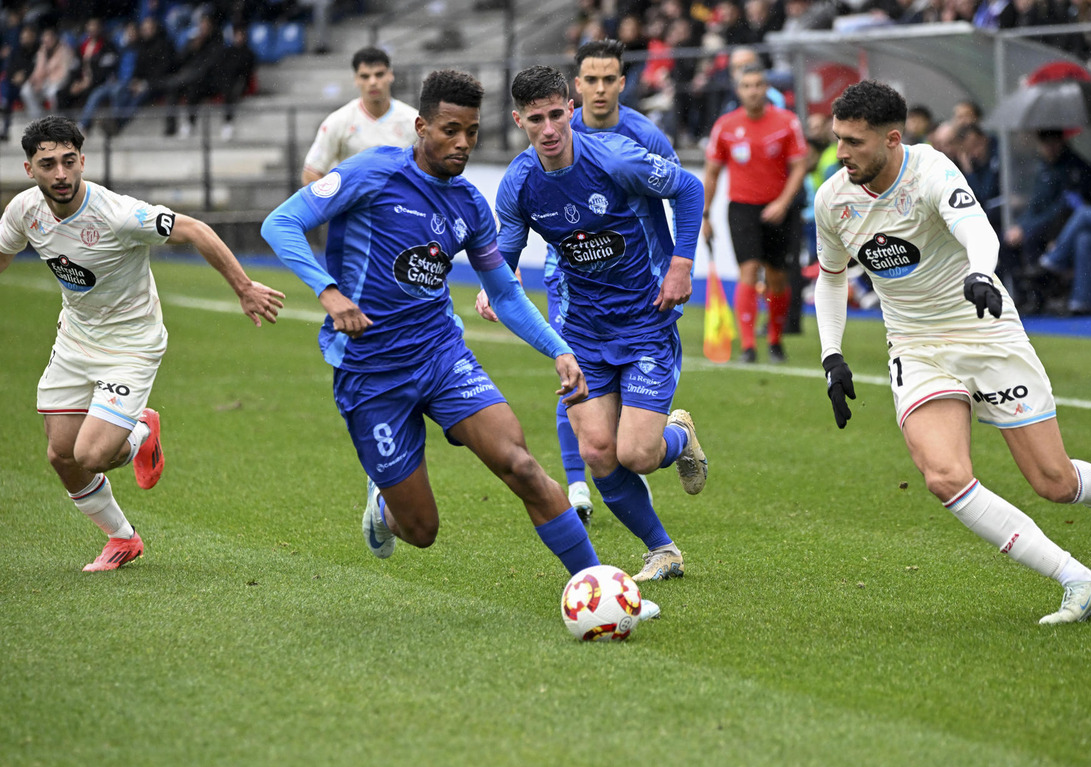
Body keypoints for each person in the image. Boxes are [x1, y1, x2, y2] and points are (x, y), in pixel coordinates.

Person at [259, 71, 634, 596]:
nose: (461, 143)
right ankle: (385, 502)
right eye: (449, 130)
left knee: (522, 466)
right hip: (371, 371)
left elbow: (503, 293)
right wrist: (329, 292)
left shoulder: (470, 205)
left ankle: (599, 587)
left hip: (441, 355)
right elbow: (280, 223)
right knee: (421, 531)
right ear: (420, 126)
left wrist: (559, 349)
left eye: (472, 132)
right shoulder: (371, 173)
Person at [813, 80, 1091, 625]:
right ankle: (1080, 580)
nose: (841, 154)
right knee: (943, 476)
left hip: (983, 329)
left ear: (891, 139)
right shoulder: (832, 198)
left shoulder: (931, 171)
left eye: (854, 142)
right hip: (915, 345)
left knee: (1054, 483)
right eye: (838, 139)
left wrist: (981, 272)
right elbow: (831, 278)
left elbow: (977, 230)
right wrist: (831, 354)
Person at [0, 116, 286, 572]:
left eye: (68, 162)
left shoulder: (117, 213)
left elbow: (195, 230)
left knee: (91, 455)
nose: (60, 174)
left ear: (82, 161)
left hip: (131, 343)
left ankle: (140, 431)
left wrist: (244, 287)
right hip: (75, 339)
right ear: (30, 168)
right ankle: (122, 538)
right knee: (60, 455)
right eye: (47, 164)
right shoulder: (24, 211)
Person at [494, 65, 708, 582]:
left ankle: (678, 436)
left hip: (644, 323)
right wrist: (493, 283)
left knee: (636, 453)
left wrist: (681, 265)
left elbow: (689, 189)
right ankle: (662, 549)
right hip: (584, 332)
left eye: (555, 115)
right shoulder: (519, 183)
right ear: (518, 120)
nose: (548, 129)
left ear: (570, 110)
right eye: (535, 119)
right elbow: (503, 251)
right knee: (596, 450)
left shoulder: (615, 157)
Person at [703, 63, 808, 363]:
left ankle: (775, 340)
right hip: (742, 208)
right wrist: (706, 214)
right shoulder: (725, 125)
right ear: (739, 90)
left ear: (767, 88)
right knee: (748, 271)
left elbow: (799, 166)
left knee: (777, 278)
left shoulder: (787, 122)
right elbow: (711, 173)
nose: (753, 91)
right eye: (747, 85)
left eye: (758, 85)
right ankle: (748, 347)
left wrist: (783, 203)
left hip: (780, 210)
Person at [1003, 129, 1091, 313]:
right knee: (1005, 242)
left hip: (1064, 225)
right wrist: (1021, 225)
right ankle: (1025, 294)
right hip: (1046, 224)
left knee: (1032, 239)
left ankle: (1046, 288)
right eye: (1045, 143)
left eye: (1053, 142)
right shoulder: (1043, 168)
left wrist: (1029, 228)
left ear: (1061, 142)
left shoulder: (1074, 168)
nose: (1049, 148)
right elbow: (1035, 204)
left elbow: (1064, 207)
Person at [301, 47, 419, 186]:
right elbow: (311, 173)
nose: (373, 82)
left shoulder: (413, 120)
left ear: (390, 75)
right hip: (353, 205)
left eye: (379, 74)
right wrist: (338, 205)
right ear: (356, 79)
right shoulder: (338, 121)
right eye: (365, 76)